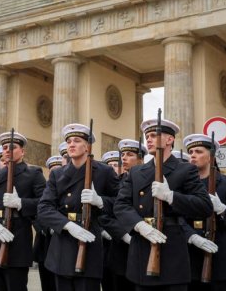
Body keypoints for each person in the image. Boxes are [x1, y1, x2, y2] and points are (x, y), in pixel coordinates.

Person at [114, 119, 212, 290]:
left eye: (154, 135)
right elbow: (121, 205)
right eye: (147, 136)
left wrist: (171, 196)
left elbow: (204, 206)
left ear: (169, 140)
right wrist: (139, 226)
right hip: (142, 244)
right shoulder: (136, 172)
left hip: (172, 247)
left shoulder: (185, 170)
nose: (149, 140)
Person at [38, 123, 120, 290]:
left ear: (87, 146)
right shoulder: (57, 174)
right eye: (68, 141)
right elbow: (44, 208)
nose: (71, 144)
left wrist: (101, 201)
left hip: (90, 241)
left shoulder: (104, 171)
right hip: (63, 243)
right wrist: (67, 225)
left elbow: (121, 203)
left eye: (76, 140)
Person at [0, 131, 47, 291]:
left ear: (22, 151)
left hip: (18, 240)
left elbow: (45, 203)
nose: (7, 150)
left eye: (12, 147)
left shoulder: (33, 174)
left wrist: (21, 203)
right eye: (4, 147)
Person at [182, 133, 226, 291]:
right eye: (191, 152)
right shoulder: (183, 184)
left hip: (221, 260)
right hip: (189, 258)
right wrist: (191, 236)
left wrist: (223, 209)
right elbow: (176, 217)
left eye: (199, 152)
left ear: (211, 156)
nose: (193, 156)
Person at [101, 140, 145, 291]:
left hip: (144, 243)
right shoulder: (116, 184)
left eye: (130, 154)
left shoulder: (151, 181)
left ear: (141, 159)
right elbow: (104, 214)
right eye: (123, 154)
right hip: (120, 248)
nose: (124, 158)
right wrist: (123, 234)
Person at [32, 156, 63, 291]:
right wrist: (48, 228)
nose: (54, 172)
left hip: (62, 242)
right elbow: (35, 214)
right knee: (47, 284)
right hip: (44, 243)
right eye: (52, 170)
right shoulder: (43, 189)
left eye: (58, 169)